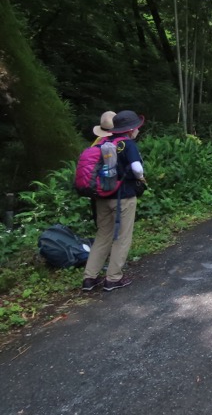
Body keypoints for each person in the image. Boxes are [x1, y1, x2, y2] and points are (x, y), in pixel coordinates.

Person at [81, 110, 146, 292]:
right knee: (122, 237)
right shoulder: (128, 144)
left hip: (101, 197)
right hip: (123, 197)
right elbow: (137, 168)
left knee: (103, 236)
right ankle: (113, 278)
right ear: (131, 129)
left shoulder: (103, 142)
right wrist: (141, 178)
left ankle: (89, 278)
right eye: (137, 128)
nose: (138, 131)